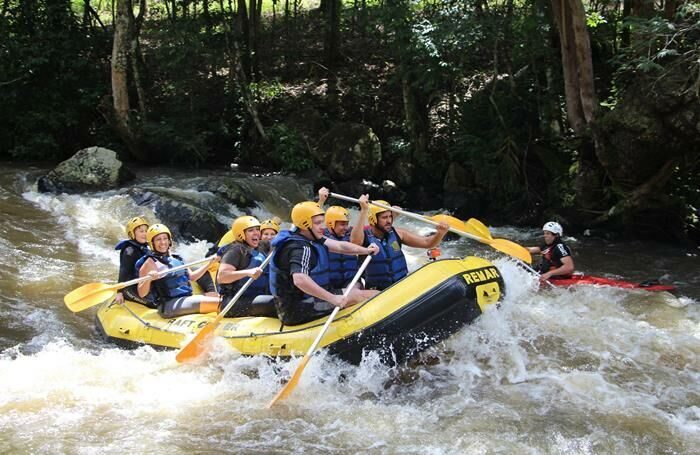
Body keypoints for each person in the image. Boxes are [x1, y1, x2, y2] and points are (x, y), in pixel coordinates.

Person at [269, 201, 380, 326]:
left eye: (322, 221)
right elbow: (300, 279)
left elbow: (340, 246)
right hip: (298, 308)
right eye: (317, 223)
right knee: (371, 295)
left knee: (359, 292)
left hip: (304, 301)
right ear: (305, 224)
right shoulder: (299, 248)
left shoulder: (310, 237)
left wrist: (366, 250)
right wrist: (332, 298)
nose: (323, 226)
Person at [349, 195, 450, 290]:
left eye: (390, 216)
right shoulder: (364, 237)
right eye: (384, 217)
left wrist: (440, 233)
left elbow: (427, 243)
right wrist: (364, 211)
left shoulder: (398, 233)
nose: (389, 221)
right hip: (377, 292)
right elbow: (354, 243)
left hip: (401, 287)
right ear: (373, 219)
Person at [136, 224, 220, 318]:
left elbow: (192, 276)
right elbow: (141, 293)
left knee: (218, 298)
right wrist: (148, 279)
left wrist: (209, 264)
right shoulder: (150, 263)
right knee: (219, 303)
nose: (163, 242)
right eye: (158, 239)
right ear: (152, 243)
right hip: (169, 305)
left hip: (186, 298)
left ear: (169, 240)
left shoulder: (177, 258)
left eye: (165, 238)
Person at [216, 216, 276, 317]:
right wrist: (248, 272)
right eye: (250, 230)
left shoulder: (260, 246)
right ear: (241, 234)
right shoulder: (235, 251)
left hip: (257, 296)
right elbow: (222, 277)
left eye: (257, 229)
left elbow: (276, 241)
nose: (256, 233)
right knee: (275, 303)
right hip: (234, 302)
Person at [114, 216, 152, 306]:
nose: (145, 234)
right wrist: (119, 292)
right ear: (132, 234)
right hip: (130, 288)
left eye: (146, 231)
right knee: (153, 303)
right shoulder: (129, 251)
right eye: (141, 231)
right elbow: (124, 271)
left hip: (141, 284)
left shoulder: (147, 247)